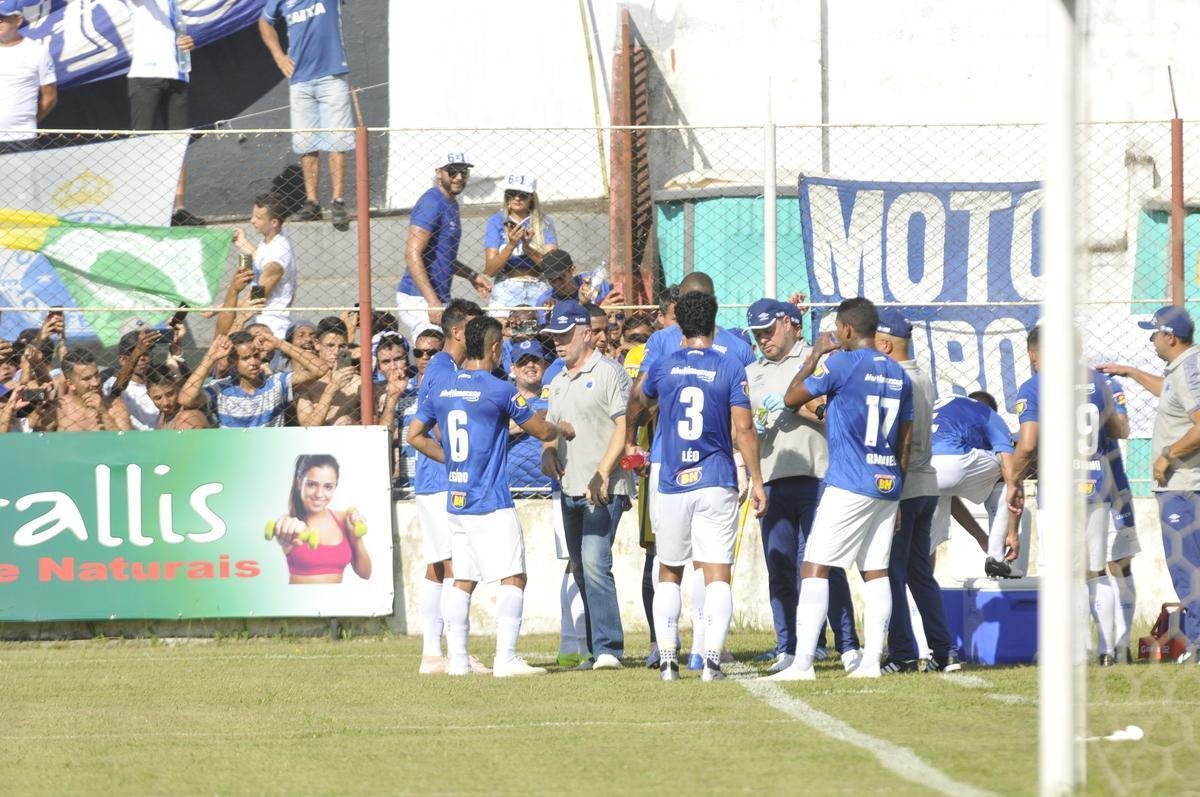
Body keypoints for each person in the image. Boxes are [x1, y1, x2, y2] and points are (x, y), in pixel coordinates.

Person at [407, 316, 562, 677]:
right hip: (490, 501)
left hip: (456, 501)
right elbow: (540, 430)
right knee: (514, 576)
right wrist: (562, 428)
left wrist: (453, 459)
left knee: (463, 578)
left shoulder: (443, 385)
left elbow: (415, 435)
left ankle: (458, 660)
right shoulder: (499, 390)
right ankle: (506, 658)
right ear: (495, 348)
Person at [768, 297, 914, 681]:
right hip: (886, 482)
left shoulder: (843, 362)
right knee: (876, 572)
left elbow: (790, 397)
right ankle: (870, 663)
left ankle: (802, 665)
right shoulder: (900, 374)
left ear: (846, 330)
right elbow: (906, 439)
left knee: (814, 567)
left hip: (849, 481)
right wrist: (896, 492)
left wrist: (814, 354)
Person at [625, 273, 756, 669]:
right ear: (715, 309)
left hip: (670, 467)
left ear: (678, 315)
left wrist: (632, 441)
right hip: (719, 468)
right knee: (714, 566)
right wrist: (754, 474)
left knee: (667, 566)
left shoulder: (663, 356)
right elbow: (745, 425)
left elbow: (638, 399)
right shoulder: (734, 356)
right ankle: (708, 652)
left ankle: (665, 655)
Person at [746, 298, 861, 674]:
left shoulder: (817, 359)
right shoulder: (753, 371)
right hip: (774, 477)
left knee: (822, 565)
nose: (764, 339)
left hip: (818, 475)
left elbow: (835, 413)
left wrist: (797, 406)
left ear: (791, 324)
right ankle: (789, 647)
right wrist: (754, 427)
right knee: (779, 567)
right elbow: (742, 427)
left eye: (769, 330)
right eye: (758, 333)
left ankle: (847, 645)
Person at [1012, 325, 1123, 664]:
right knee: (1095, 570)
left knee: (1063, 571)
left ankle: (1076, 649)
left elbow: (1028, 443)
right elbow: (1119, 429)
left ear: (1035, 354)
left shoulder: (1035, 385)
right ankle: (1111, 648)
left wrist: (1014, 479)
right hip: (1096, 484)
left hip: (1060, 490)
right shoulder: (1103, 382)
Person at [1100, 305, 1200, 662]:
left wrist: (1167, 455)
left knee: (1187, 566)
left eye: (1155, 333)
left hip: (1184, 486)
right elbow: (1170, 393)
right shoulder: (1181, 369)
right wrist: (1131, 372)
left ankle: (1199, 645)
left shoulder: (1190, 368)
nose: (1152, 340)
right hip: (1183, 485)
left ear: (1170, 337)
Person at [541, 300, 633, 670]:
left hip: (602, 487)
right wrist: (548, 451)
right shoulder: (558, 381)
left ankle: (610, 648)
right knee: (580, 568)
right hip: (570, 487)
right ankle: (597, 650)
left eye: (564, 336)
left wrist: (604, 471)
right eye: (554, 337)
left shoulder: (609, 372)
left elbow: (623, 426)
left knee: (595, 563)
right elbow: (551, 426)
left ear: (584, 333)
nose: (558, 344)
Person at [408, 299, 485, 675]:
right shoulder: (443, 371)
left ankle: (432, 654)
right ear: (458, 332)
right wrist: (460, 459)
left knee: (439, 565)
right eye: (474, 327)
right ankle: (455, 653)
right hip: (441, 481)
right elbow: (438, 426)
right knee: (457, 565)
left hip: (432, 480)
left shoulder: (442, 367)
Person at [869, 309, 945, 674]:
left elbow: (901, 437)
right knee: (919, 572)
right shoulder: (923, 376)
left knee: (892, 571)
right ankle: (942, 650)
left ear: (884, 344)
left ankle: (901, 653)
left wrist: (893, 493)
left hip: (905, 485)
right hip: (927, 483)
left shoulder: (896, 378)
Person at [259, 0, 354, 227]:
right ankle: (312, 203)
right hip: (300, 79)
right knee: (306, 143)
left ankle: (338, 201)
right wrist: (279, 56)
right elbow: (264, 23)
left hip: (332, 75)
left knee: (338, 140)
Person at [124, 0, 202, 226]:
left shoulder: (175, 5)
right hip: (146, 75)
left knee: (178, 144)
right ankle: (141, 209)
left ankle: (179, 208)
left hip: (177, 75)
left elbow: (178, 34)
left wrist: (189, 42)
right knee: (142, 142)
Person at [395, 153, 491, 331]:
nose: (459, 177)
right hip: (419, 297)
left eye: (464, 172)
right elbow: (411, 254)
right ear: (439, 173)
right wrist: (432, 301)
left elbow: (443, 256)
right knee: (433, 352)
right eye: (452, 171)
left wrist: (472, 276)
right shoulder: (431, 202)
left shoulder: (451, 203)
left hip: (436, 297)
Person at [178, 330, 328, 428]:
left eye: (256, 356)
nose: (253, 362)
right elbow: (185, 399)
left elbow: (320, 369)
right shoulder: (221, 389)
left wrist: (278, 343)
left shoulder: (275, 382)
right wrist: (210, 358)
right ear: (233, 362)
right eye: (245, 358)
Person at [271, 454, 371, 584]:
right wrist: (284, 534)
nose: (319, 494)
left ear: (335, 487)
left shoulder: (343, 519)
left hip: (335, 602)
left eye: (328, 487)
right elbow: (283, 531)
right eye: (312, 484)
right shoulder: (290, 521)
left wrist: (356, 538)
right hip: (298, 602)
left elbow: (365, 574)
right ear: (299, 483)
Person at [485, 174, 558, 314]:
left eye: (522, 194)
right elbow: (490, 270)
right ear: (506, 197)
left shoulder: (544, 222)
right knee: (502, 332)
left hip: (538, 285)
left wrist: (527, 248)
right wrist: (511, 245)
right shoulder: (496, 221)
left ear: (531, 197)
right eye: (512, 194)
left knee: (542, 332)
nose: (517, 198)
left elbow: (553, 267)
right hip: (506, 285)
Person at [232, 194, 296, 339]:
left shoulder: (277, 260)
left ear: (274, 222)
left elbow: (255, 299)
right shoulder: (274, 236)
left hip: (273, 328)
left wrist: (219, 309)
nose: (252, 221)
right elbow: (262, 257)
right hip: (260, 321)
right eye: (253, 215)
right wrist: (242, 243)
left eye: (258, 218)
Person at [0, 0, 56, 155]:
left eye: (2, 19)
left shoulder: (37, 52)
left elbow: (49, 97)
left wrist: (28, 124)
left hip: (20, 139)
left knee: (22, 180)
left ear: (18, 20)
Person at [393, 327, 443, 498]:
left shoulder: (451, 388)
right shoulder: (402, 390)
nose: (425, 358)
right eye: (418, 352)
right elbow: (389, 435)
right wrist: (392, 397)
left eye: (431, 352)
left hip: (440, 479)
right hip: (408, 482)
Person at [507, 338, 553, 496]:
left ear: (545, 364)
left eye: (535, 360)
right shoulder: (504, 399)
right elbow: (494, 428)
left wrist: (516, 424)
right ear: (512, 369)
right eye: (523, 361)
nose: (530, 365)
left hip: (549, 487)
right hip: (511, 488)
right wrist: (537, 417)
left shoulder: (555, 398)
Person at [297, 317, 359, 426]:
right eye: (330, 345)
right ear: (317, 344)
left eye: (342, 346)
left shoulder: (358, 383)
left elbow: (374, 423)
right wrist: (332, 388)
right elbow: (307, 430)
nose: (336, 352)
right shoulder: (306, 384)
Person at [52, 349, 133, 432]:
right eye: (87, 379)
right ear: (70, 384)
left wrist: (103, 413)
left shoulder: (115, 406)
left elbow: (126, 442)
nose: (96, 383)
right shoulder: (59, 409)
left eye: (97, 375)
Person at [536, 250, 616, 312]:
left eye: (561, 278)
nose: (557, 284)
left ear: (572, 270)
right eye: (552, 280)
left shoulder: (595, 282)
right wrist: (600, 309)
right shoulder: (545, 300)